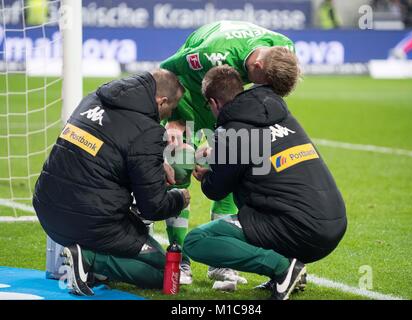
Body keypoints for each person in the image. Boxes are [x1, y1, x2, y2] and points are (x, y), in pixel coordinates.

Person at [183, 65, 347, 300]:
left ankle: (283, 269)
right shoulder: (279, 112)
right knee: (264, 197)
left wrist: (206, 174)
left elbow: (215, 190)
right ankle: (288, 269)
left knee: (197, 240)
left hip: (300, 229)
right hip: (334, 222)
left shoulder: (232, 130)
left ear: (214, 103)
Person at [160, 20, 297, 285]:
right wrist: (176, 116)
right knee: (178, 168)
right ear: (257, 67)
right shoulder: (210, 54)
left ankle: (219, 264)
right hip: (189, 97)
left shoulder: (283, 51)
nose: (265, 92)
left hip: (227, 103)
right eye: (264, 85)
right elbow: (166, 70)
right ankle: (180, 259)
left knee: (231, 172)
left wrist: (223, 138)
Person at [33, 70, 190, 296]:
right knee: (162, 270)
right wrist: (179, 197)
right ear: (161, 101)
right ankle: (87, 260)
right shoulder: (147, 130)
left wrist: (154, 164)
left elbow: (108, 152)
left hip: (47, 208)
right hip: (90, 219)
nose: (168, 115)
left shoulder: (93, 98)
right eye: (170, 108)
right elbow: (153, 207)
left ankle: (89, 264)